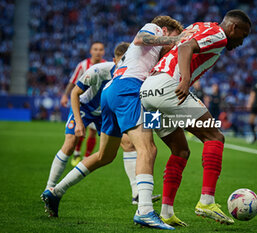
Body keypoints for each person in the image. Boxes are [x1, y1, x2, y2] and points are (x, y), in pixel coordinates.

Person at [42, 16, 188, 230]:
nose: (175, 43)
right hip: (127, 89)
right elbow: (140, 38)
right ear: (165, 30)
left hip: (113, 93)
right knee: (147, 149)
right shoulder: (154, 29)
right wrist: (176, 40)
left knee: (105, 156)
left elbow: (150, 96)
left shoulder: (156, 57)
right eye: (174, 37)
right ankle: (145, 210)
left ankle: (55, 192)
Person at [140, 9, 251, 226]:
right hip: (168, 87)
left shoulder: (198, 26)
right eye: (243, 36)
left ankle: (166, 212)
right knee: (215, 137)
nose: (241, 42)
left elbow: (172, 47)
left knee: (180, 151)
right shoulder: (219, 34)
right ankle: (206, 201)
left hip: (147, 93)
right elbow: (184, 47)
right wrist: (184, 79)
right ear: (233, 28)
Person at [42, 42, 154, 205]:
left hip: (106, 113)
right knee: (70, 143)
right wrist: (79, 122)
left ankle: (136, 194)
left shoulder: (136, 74)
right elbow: (75, 93)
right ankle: (50, 188)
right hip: (85, 108)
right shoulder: (98, 70)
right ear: (114, 61)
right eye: (122, 61)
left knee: (125, 145)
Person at [60, 42, 106, 166]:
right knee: (81, 129)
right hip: (83, 104)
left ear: (104, 52)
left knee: (92, 132)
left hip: (97, 105)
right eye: (95, 49)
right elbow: (72, 81)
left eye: (100, 49)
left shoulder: (106, 66)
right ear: (91, 51)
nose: (98, 52)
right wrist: (65, 95)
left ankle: (87, 157)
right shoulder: (83, 65)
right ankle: (77, 152)